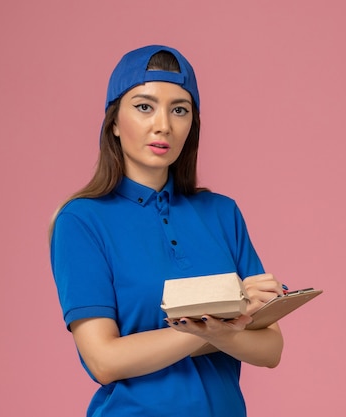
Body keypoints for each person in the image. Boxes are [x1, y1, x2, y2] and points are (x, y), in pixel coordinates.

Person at [49, 45, 284, 417]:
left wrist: (218, 331)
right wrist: (222, 323)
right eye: (144, 106)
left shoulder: (222, 213)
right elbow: (104, 360)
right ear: (113, 121)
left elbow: (271, 349)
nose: (163, 125)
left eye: (179, 110)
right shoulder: (81, 221)